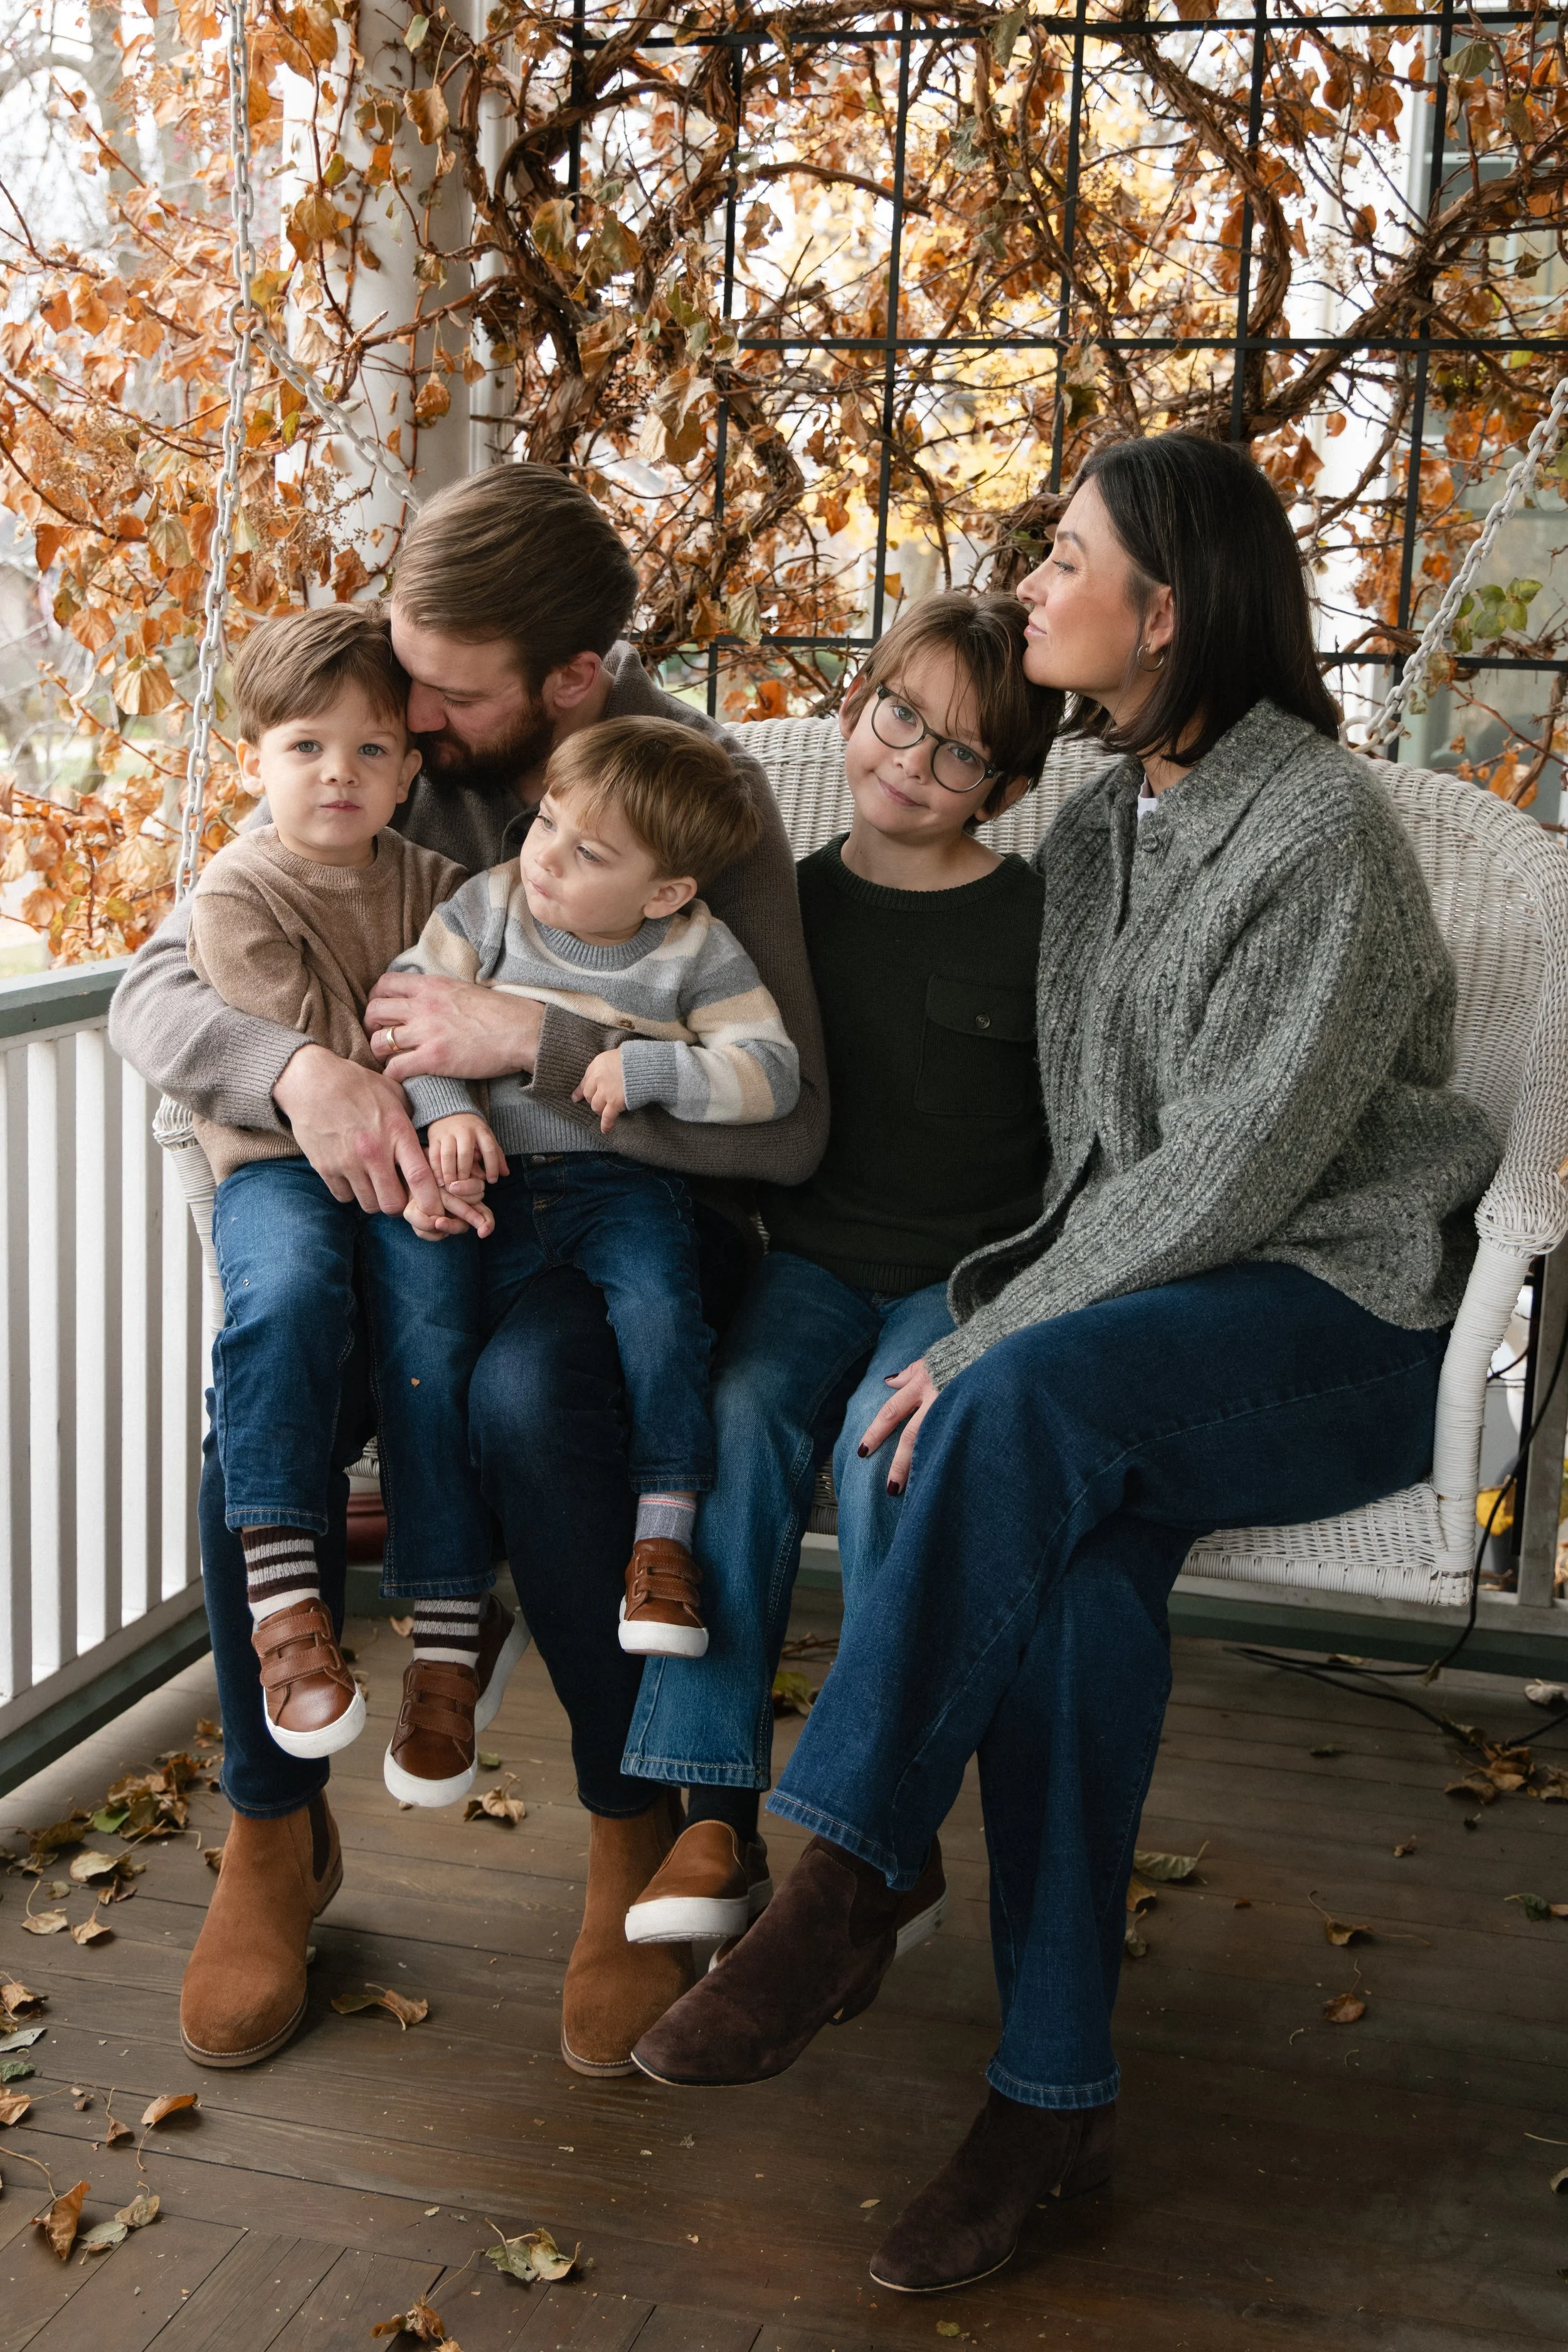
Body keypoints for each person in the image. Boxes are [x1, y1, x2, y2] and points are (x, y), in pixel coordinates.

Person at [626, 432, 1501, 2295]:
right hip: (1146, 1310)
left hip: (1333, 1311)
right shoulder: (1101, 819)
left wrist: (1001, 1324)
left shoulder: (1319, 832)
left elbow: (1233, 1165)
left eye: (1066, 561)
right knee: (1072, 1578)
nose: (1031, 585)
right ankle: (1049, 2097)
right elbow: (1088, 1144)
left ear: (1162, 610)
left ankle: (842, 1869)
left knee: (989, 1396)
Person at [107, 463, 827, 2077]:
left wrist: (545, 1038)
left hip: (612, 1225)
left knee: (527, 1396)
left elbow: (787, 1129)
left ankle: (624, 1813)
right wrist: (294, 1074)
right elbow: (157, 989)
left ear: (570, 682)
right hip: (406, 1211)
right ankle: (273, 1828)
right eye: (399, 677)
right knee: (262, 1390)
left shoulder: (676, 787)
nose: (406, 719)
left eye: (443, 692)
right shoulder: (378, 752)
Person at [615, 590, 1061, 1950]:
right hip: (805, 1261)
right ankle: (708, 1809)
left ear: (1011, 785)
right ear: (853, 701)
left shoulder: (1031, 921)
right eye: (896, 715)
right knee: (737, 1420)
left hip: (959, 1276)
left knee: (885, 1452)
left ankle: (883, 1822)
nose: (910, 762)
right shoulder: (784, 908)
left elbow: (1081, 1128)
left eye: (959, 753)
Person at [185, 607, 531, 1863]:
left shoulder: (445, 890)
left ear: (411, 764)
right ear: (254, 759)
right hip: (287, 1171)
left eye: (371, 750)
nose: (339, 774)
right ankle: (284, 1597)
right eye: (305, 747)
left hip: (414, 1175)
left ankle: (447, 1626)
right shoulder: (234, 893)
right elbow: (343, 1054)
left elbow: (469, 1018)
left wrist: (448, 1130)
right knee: (274, 1302)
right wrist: (423, 1123)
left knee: (438, 1328)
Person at [396, 714, 801, 1665]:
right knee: (436, 1346)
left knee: (661, 1313)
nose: (546, 859)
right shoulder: (488, 906)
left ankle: (664, 1533)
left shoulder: (696, 951)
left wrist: (647, 1069)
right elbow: (404, 1008)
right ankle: (453, 1618)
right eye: (546, 825)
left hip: (623, 1186)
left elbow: (771, 1073)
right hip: (493, 1179)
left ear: (665, 890)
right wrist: (446, 1107)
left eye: (588, 852)